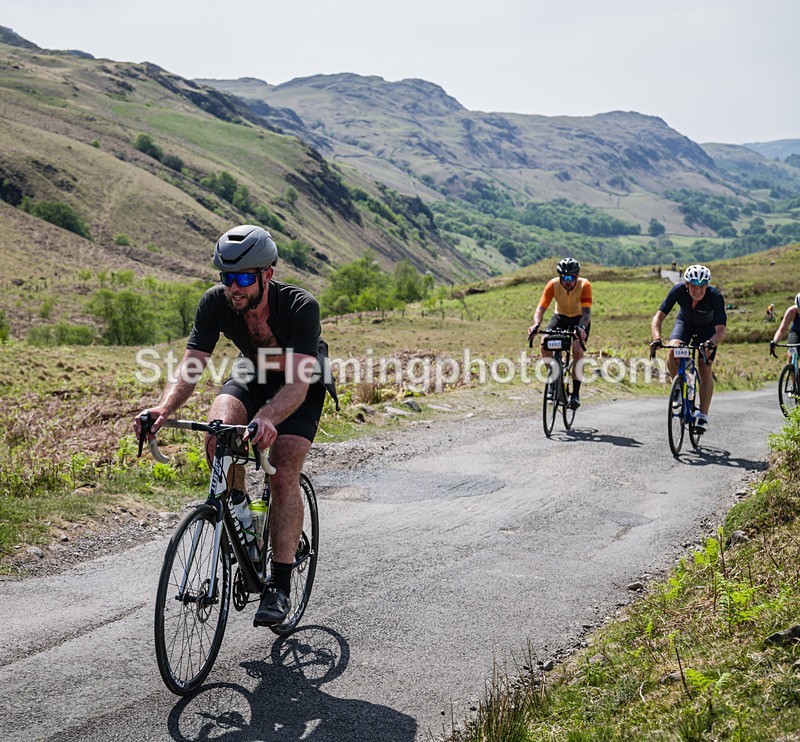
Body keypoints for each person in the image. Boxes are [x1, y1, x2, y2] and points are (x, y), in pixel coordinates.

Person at [134, 225, 337, 626]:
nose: (234, 287)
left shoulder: (299, 306)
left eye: (244, 277)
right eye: (227, 277)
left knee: (282, 469)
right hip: (253, 372)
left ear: (267, 275)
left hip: (301, 381)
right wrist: (161, 409)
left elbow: (297, 384)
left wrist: (266, 417)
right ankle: (241, 517)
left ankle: (278, 584)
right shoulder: (216, 303)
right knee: (217, 436)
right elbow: (191, 367)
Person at [650, 264, 727, 434]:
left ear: (707, 285)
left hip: (707, 331)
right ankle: (678, 386)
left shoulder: (715, 296)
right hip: (684, 325)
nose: (698, 290)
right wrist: (656, 338)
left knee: (704, 366)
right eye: (694, 285)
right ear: (687, 284)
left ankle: (703, 416)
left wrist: (710, 344)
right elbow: (658, 317)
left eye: (702, 286)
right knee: (673, 350)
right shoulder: (678, 290)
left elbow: (721, 330)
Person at [527, 257, 592, 409]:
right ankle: (553, 377)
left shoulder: (585, 285)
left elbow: (587, 313)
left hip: (579, 319)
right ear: (560, 277)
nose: (568, 281)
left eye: (572, 277)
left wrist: (581, 328)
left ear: (577, 276)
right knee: (545, 343)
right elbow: (541, 308)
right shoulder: (553, 284)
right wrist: (536, 324)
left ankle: (575, 393)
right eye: (565, 277)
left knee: (577, 350)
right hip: (560, 317)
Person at [769, 293, 800, 361]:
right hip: (795, 333)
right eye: (799, 308)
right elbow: (782, 330)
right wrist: (775, 341)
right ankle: (791, 370)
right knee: (791, 355)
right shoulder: (791, 311)